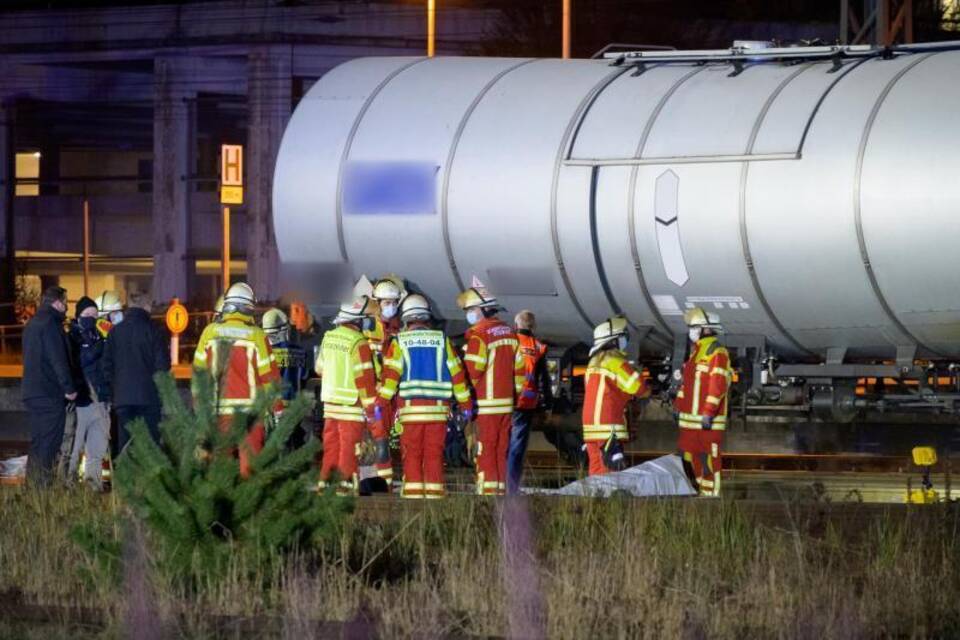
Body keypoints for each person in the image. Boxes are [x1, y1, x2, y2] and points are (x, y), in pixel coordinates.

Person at [375, 294, 471, 499]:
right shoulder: (442, 341)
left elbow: (391, 378)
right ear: (427, 317)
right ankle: (435, 498)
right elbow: (457, 374)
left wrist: (380, 403)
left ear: (406, 318)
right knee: (434, 456)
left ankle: (413, 498)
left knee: (412, 456)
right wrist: (466, 404)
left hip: (411, 413)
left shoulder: (399, 342)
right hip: (438, 412)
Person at [192, 282, 279, 477]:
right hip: (251, 415)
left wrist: (199, 406)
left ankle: (221, 506)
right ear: (249, 308)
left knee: (219, 469)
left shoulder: (209, 333)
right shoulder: (257, 336)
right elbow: (270, 378)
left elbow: (198, 375)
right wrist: (278, 409)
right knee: (250, 470)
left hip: (218, 412)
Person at [457, 283, 525, 496]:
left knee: (485, 452)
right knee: (500, 452)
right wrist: (514, 396)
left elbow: (471, 372)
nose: (469, 315)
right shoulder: (510, 334)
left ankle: (487, 498)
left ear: (483, 310)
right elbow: (520, 372)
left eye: (471, 310)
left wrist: (463, 399)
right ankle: (500, 495)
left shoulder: (479, 335)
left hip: (484, 407)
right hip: (505, 406)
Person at [314, 296, 381, 495]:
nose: (370, 321)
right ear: (358, 319)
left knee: (331, 447)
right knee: (349, 449)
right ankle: (345, 488)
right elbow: (365, 380)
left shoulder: (329, 337)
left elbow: (319, 369)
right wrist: (372, 412)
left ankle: (325, 485)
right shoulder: (358, 342)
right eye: (368, 317)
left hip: (330, 404)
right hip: (351, 406)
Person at [674, 307, 732, 497]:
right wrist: (678, 407)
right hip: (689, 423)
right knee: (690, 460)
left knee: (709, 460)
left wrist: (708, 412)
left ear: (707, 329)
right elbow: (686, 386)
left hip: (708, 422)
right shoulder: (695, 353)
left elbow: (718, 385)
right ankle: (701, 494)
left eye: (695, 327)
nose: (692, 330)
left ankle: (711, 500)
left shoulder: (718, 353)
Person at [21, 286, 76, 486]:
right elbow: (58, 360)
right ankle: (42, 491)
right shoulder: (51, 325)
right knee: (49, 445)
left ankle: (33, 491)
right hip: (49, 393)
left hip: (32, 392)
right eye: (65, 303)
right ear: (57, 303)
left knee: (37, 443)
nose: (66, 309)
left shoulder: (32, 324)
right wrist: (69, 389)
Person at [581, 317, 650, 476]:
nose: (624, 341)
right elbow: (639, 388)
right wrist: (648, 391)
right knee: (610, 471)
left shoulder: (592, 363)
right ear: (613, 341)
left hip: (590, 426)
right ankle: (608, 499)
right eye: (622, 337)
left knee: (596, 470)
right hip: (608, 424)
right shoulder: (616, 362)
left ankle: (595, 500)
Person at [103, 292, 170, 452]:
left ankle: (127, 476)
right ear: (147, 307)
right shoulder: (155, 331)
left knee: (127, 446)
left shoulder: (115, 332)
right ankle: (147, 477)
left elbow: (106, 366)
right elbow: (163, 366)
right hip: (149, 400)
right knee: (150, 448)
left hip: (123, 400)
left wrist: (116, 389)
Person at [363, 274, 407, 490]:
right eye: (387, 303)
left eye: (394, 303)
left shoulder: (399, 327)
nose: (391, 307)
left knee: (397, 440)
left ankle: (385, 484)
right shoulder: (370, 328)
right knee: (378, 441)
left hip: (395, 392)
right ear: (378, 304)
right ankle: (381, 485)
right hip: (377, 393)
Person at [67, 296, 112, 489]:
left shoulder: (103, 336)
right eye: (87, 314)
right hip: (81, 403)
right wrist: (96, 348)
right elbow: (76, 363)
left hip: (101, 402)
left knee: (97, 451)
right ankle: (67, 489)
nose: (92, 318)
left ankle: (93, 489)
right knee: (74, 450)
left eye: (95, 314)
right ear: (78, 316)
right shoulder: (71, 338)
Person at [507, 310, 553, 494]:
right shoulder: (538, 347)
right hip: (526, 403)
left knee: (500, 443)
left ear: (516, 325)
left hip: (505, 401)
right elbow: (544, 380)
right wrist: (548, 405)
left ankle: (497, 482)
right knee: (517, 448)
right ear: (533, 327)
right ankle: (512, 487)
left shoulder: (509, 343)